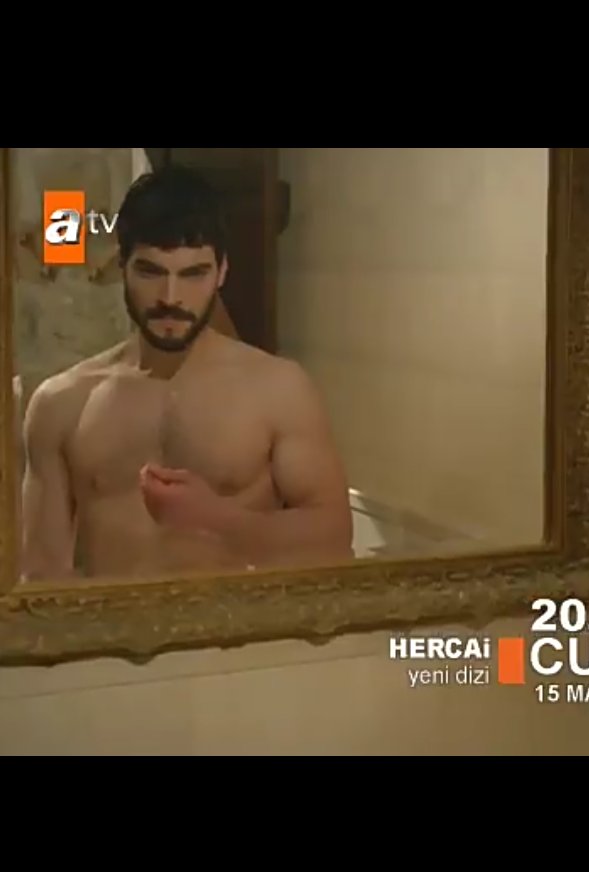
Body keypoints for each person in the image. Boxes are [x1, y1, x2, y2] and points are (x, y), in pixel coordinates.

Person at [20, 165, 354, 581]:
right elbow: (42, 572)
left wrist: (219, 520)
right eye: (151, 271)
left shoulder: (279, 390)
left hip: (236, 620)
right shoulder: (62, 404)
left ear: (222, 271)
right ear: (122, 266)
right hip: (113, 620)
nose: (171, 297)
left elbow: (333, 539)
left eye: (193, 273)